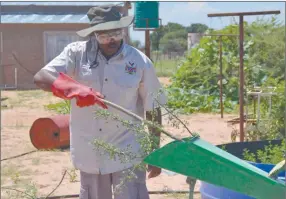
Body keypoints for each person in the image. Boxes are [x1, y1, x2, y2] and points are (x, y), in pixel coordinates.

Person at [33, 4, 167, 199]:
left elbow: (153, 108)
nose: (111, 40)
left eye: (115, 33)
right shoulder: (76, 54)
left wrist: (155, 151)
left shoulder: (139, 62)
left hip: (128, 152)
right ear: (93, 33)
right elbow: (41, 77)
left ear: (123, 30)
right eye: (104, 35)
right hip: (90, 153)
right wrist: (74, 90)